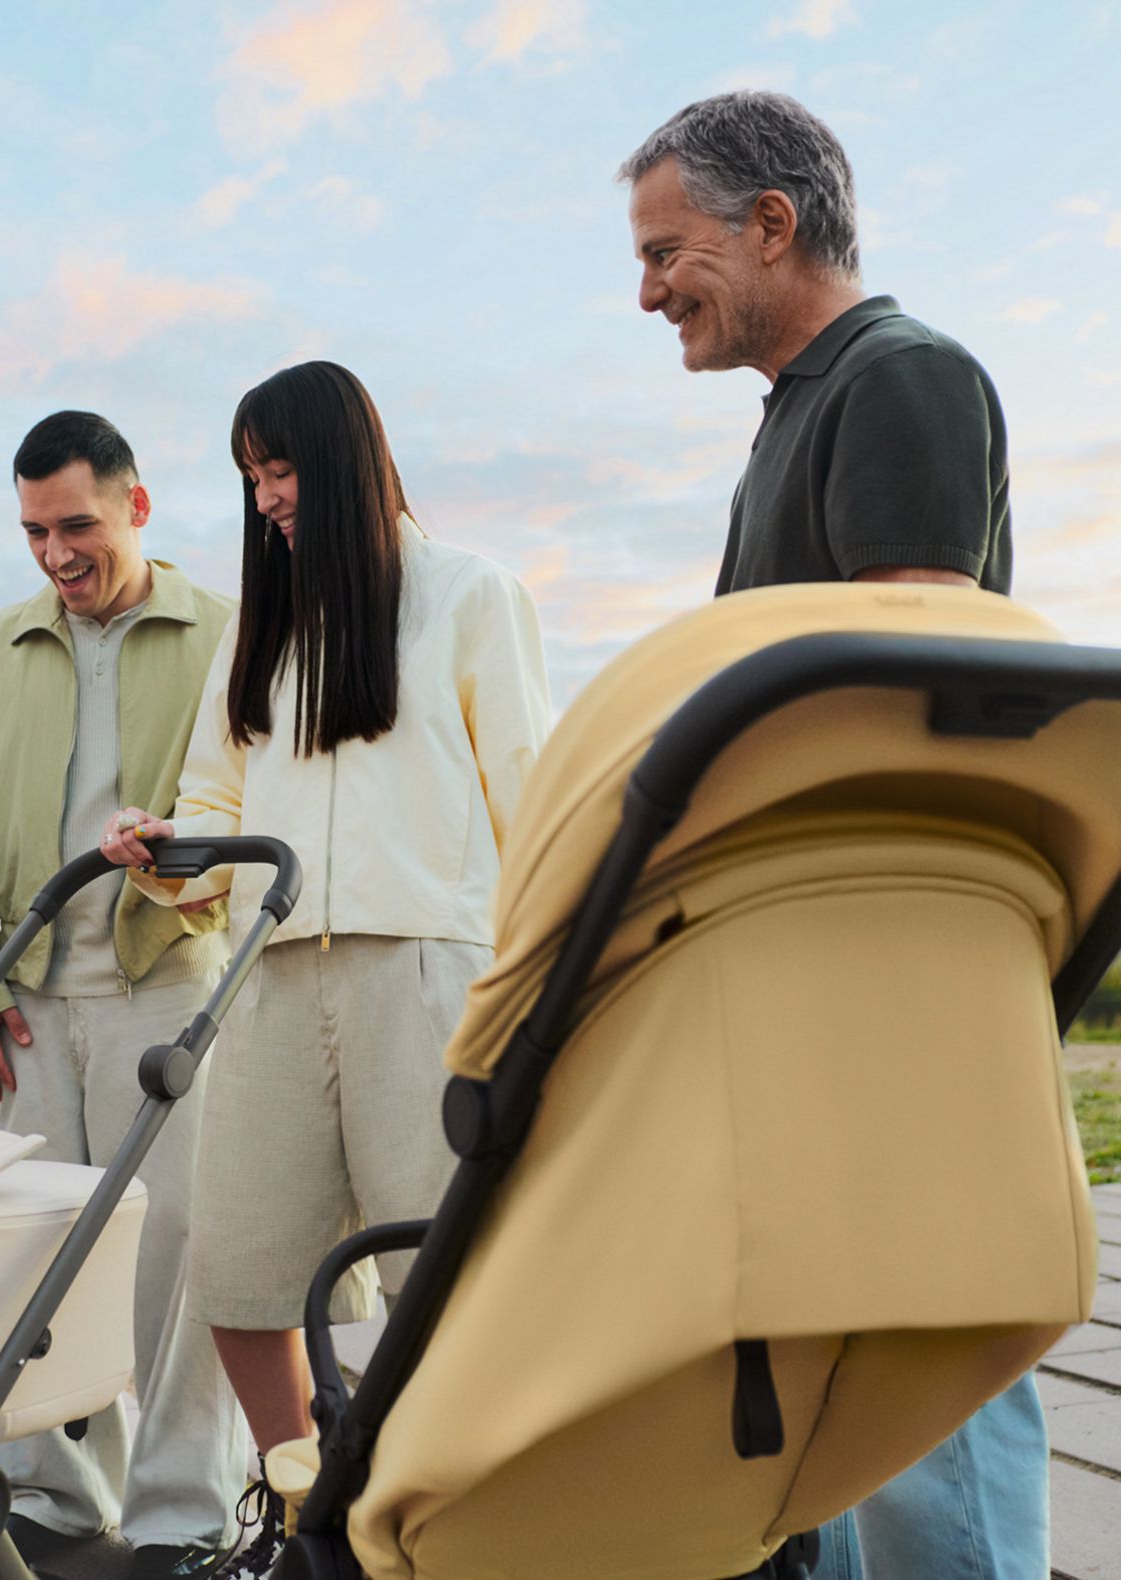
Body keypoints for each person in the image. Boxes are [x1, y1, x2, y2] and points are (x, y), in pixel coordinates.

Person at [621, 90, 1025, 1580]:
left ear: (771, 225)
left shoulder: (900, 377)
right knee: (825, 1362)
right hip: (804, 951)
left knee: (921, 1338)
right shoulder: (794, 413)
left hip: (886, 947)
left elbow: (906, 683)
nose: (648, 291)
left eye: (665, 251)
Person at [103, 360, 551, 1579]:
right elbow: (217, 803)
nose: (265, 498)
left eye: (281, 467)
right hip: (272, 975)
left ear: (345, 458)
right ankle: (311, 1515)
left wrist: (545, 992)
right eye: (251, 476)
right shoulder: (258, 630)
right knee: (239, 1273)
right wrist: (163, 848)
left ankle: (456, 1528)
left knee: (444, 1282)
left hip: (430, 972)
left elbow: (533, 802)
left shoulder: (470, 595)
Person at [0, 411, 247, 1580]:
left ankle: (182, 1513)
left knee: (174, 1255)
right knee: (41, 1248)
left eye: (76, 524)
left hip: (174, 980)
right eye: (32, 531)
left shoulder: (229, 634)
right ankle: (56, 1493)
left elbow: (251, 796)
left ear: (135, 505)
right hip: (33, 996)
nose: (56, 552)